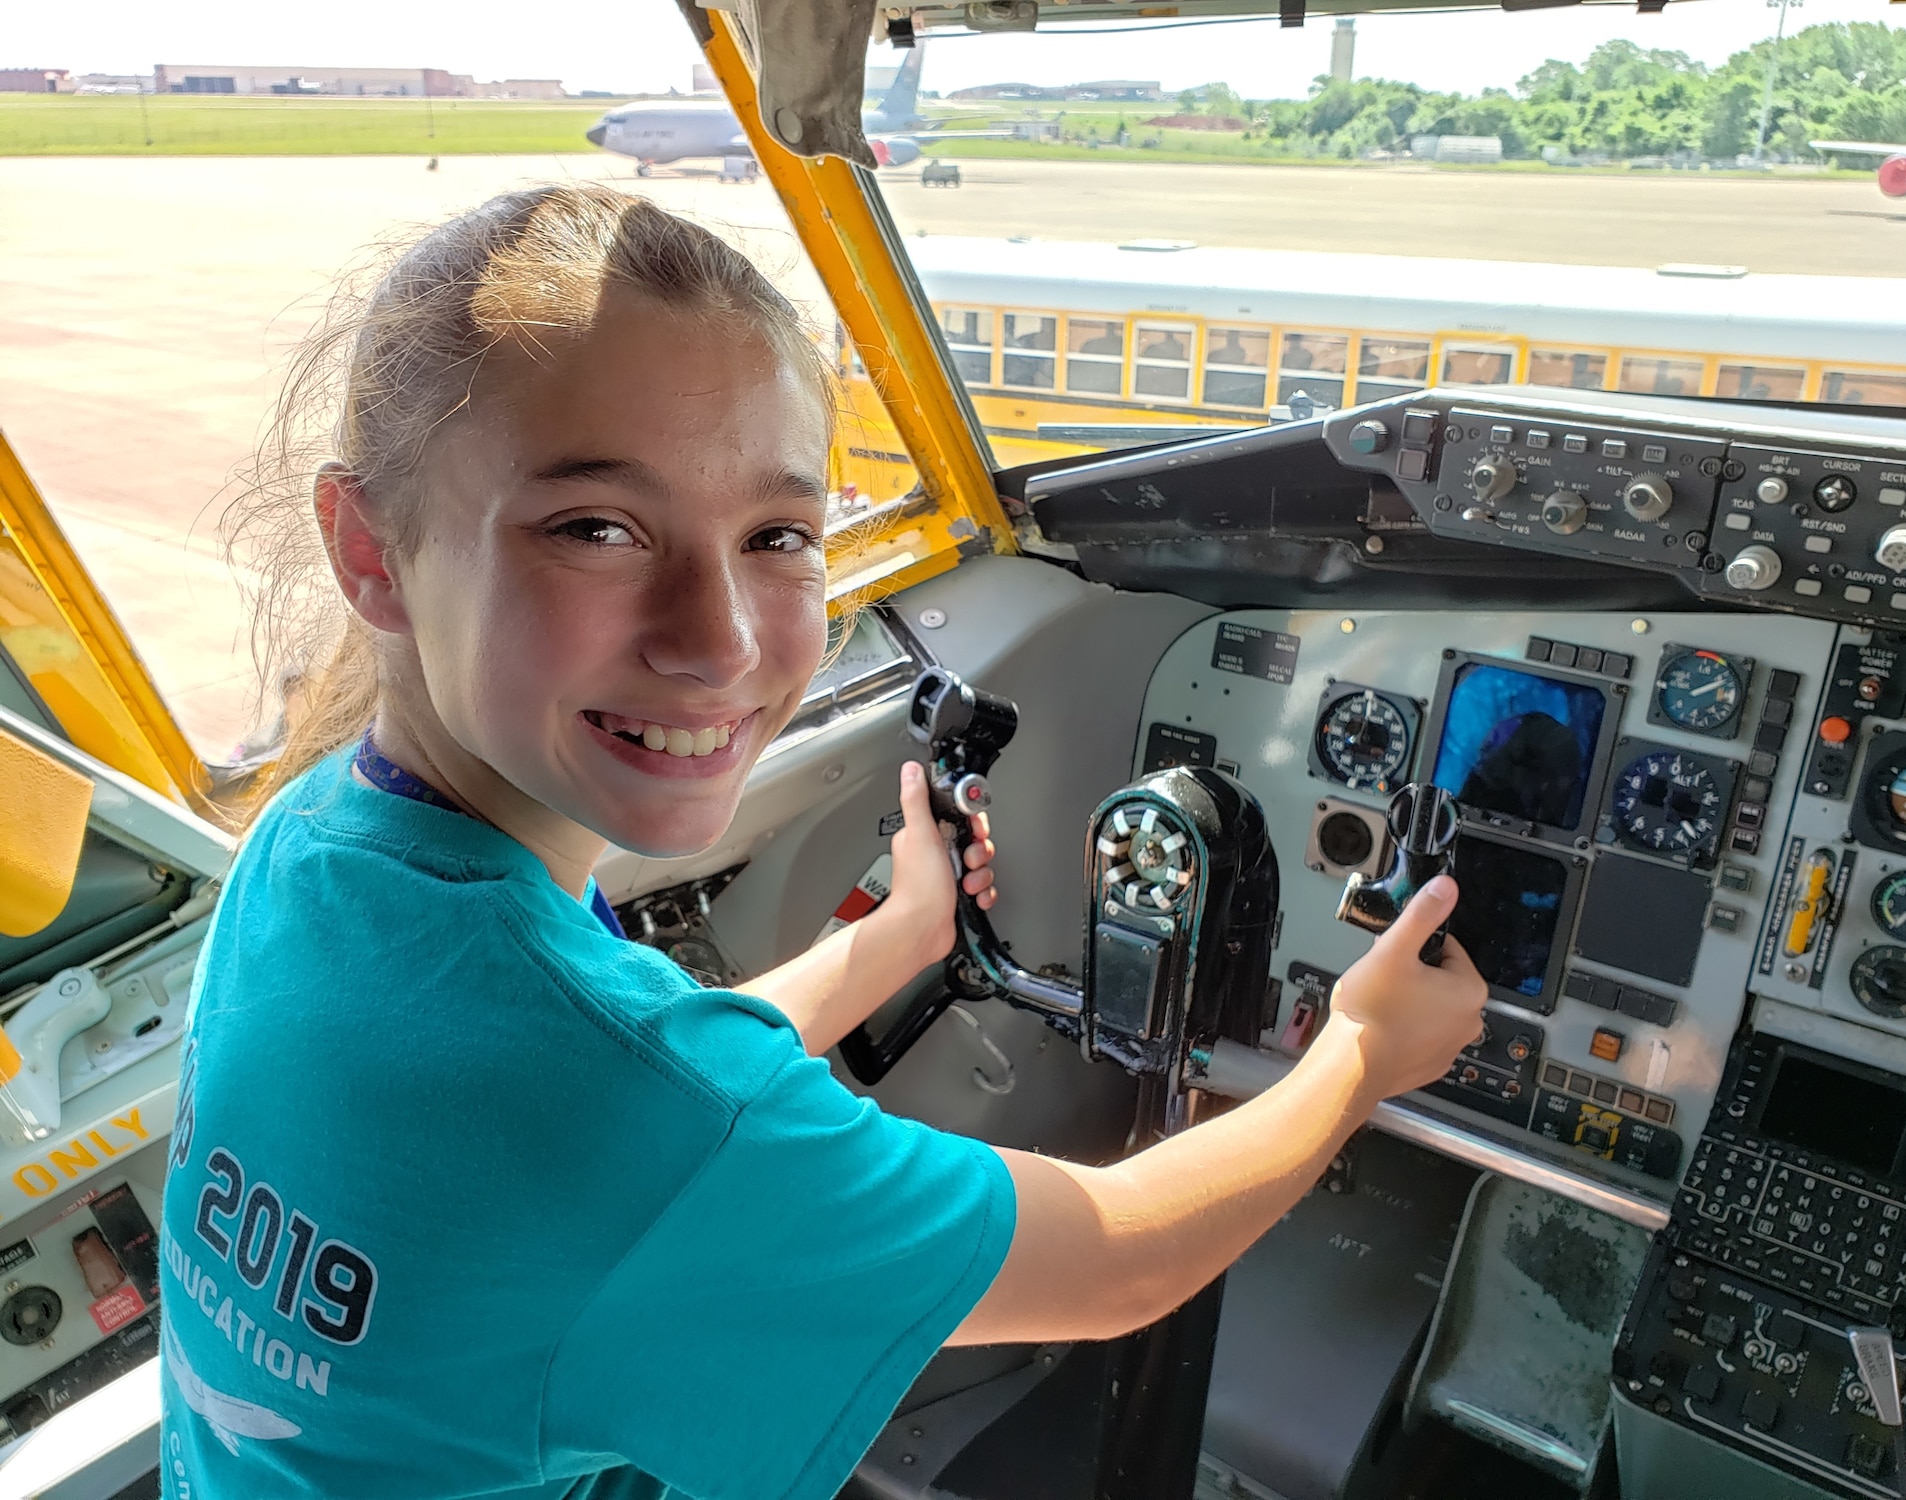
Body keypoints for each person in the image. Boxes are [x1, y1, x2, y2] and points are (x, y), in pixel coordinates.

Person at [159, 183, 1486, 1497]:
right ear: (371, 552)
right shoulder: (619, 1114)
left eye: (778, 535)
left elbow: (649, 1086)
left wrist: (900, 938)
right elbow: (1125, 1256)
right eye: (596, 529)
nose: (721, 641)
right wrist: (1367, 1050)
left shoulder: (308, 849)